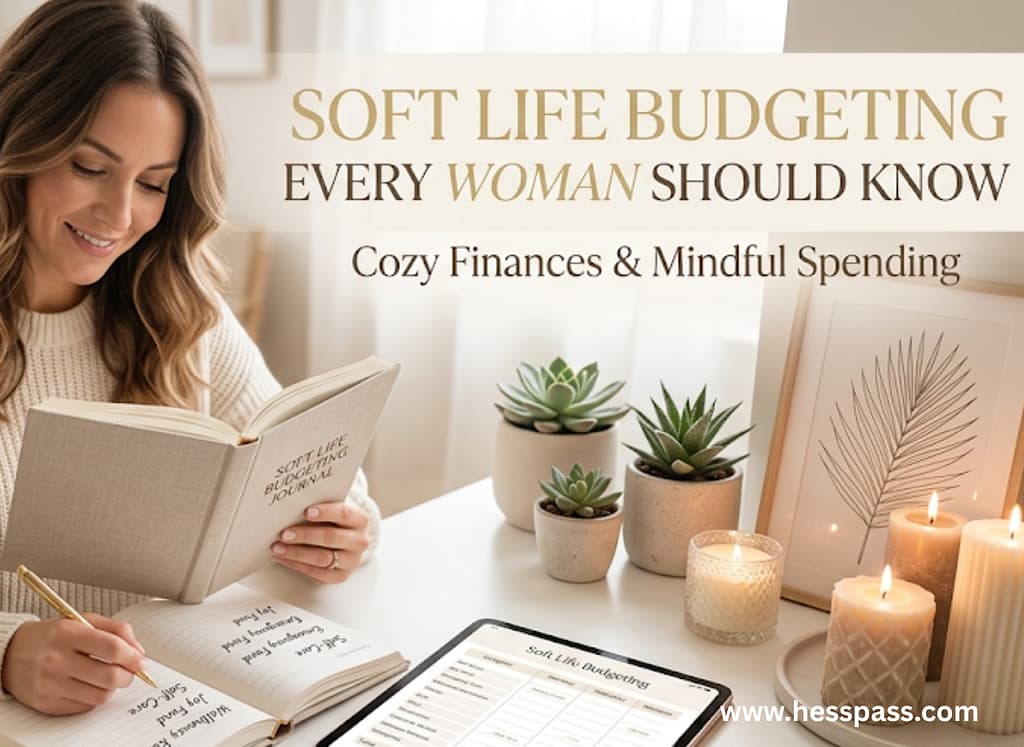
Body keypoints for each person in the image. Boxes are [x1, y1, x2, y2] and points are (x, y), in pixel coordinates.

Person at [0, 0, 381, 715]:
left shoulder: (175, 310)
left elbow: (316, 469)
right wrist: (5, 654)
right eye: (89, 166)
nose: (119, 217)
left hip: (170, 713)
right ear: (17, 138)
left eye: (152, 183)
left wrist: (346, 528)